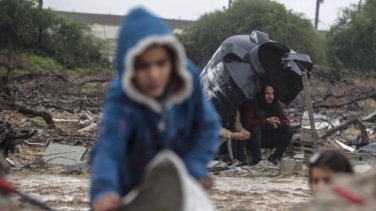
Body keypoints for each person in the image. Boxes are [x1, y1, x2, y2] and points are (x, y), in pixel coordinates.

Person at [89, 7, 220, 211]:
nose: (154, 74)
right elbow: (110, 146)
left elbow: (207, 125)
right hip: (131, 182)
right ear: (129, 66)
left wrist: (194, 166)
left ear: (173, 60)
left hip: (178, 174)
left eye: (161, 63)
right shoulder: (121, 96)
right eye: (143, 66)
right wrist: (104, 189)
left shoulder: (187, 81)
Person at [239, 85, 293, 165]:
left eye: (272, 94)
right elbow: (247, 123)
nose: (270, 96)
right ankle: (257, 161)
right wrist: (266, 120)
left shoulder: (275, 104)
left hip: (270, 135)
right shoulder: (253, 103)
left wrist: (279, 122)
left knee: (289, 129)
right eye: (267, 93)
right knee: (256, 129)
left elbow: (286, 121)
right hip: (255, 139)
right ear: (262, 94)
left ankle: (276, 158)